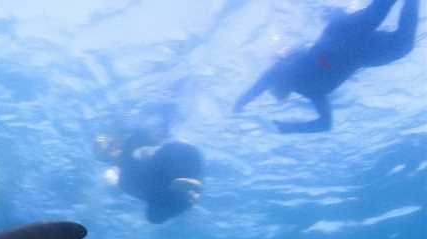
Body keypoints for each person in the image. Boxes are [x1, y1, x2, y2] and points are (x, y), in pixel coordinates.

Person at [234, 0, 419, 134]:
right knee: (402, 45)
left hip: (340, 37)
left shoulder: (283, 72)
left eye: (274, 90)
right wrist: (289, 128)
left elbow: (261, 83)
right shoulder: (312, 92)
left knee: (377, 14)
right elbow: (326, 124)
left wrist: (241, 103)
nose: (276, 95)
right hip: (360, 53)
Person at [99, 130, 205, 224]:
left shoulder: (134, 141)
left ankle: (188, 190)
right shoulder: (132, 145)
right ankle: (189, 191)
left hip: (174, 163)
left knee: (141, 155)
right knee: (153, 216)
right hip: (173, 177)